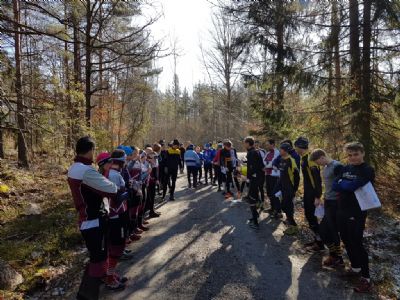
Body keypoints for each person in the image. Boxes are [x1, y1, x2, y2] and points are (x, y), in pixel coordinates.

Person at [67, 136, 119, 299]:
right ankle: (86, 296)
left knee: (96, 257)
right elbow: (112, 189)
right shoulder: (86, 171)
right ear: (90, 151)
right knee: (97, 260)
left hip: (85, 218)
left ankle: (96, 286)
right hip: (94, 220)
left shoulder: (73, 168)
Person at [333, 142, 375, 293]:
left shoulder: (367, 170)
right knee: (346, 239)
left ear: (362, 153)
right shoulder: (346, 168)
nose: (352, 158)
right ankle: (355, 268)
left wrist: (344, 183)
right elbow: (334, 185)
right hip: (342, 209)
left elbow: (351, 186)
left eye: (356, 154)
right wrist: (345, 184)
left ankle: (366, 279)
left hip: (357, 212)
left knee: (357, 243)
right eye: (350, 155)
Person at [310, 148, 344, 267]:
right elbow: (328, 186)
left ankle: (337, 258)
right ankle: (333, 254)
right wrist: (323, 198)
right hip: (328, 202)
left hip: (336, 204)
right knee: (324, 231)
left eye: (317, 161)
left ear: (322, 157)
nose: (318, 164)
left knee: (333, 231)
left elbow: (342, 185)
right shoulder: (325, 168)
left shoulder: (337, 166)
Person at [294, 137, 324, 251]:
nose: (295, 149)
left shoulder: (310, 158)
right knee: (309, 215)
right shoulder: (304, 158)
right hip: (308, 192)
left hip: (312, 193)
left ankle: (320, 242)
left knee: (311, 216)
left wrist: (317, 196)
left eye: (296, 146)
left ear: (300, 146)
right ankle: (317, 240)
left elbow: (317, 178)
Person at [275, 142, 300, 235]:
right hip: (283, 188)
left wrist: (294, 189)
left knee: (288, 207)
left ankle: (294, 227)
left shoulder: (291, 160)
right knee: (284, 206)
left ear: (285, 151)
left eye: (280, 149)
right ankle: (291, 222)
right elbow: (282, 174)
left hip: (290, 188)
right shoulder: (281, 159)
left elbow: (297, 176)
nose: (279, 151)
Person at [243, 136, 265, 229]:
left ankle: (256, 223)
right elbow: (259, 166)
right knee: (253, 197)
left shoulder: (252, 153)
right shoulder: (254, 152)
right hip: (257, 178)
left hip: (254, 179)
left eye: (244, 143)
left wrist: (248, 178)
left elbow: (253, 168)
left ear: (248, 143)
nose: (243, 144)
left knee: (252, 199)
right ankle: (255, 216)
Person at [264, 139, 281, 218]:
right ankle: (272, 208)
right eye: (266, 145)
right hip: (267, 174)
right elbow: (264, 160)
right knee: (269, 192)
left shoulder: (277, 152)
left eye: (268, 145)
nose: (267, 146)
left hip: (274, 175)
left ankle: (277, 211)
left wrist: (266, 166)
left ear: (273, 144)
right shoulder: (268, 153)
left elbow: (273, 163)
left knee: (275, 193)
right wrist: (266, 164)